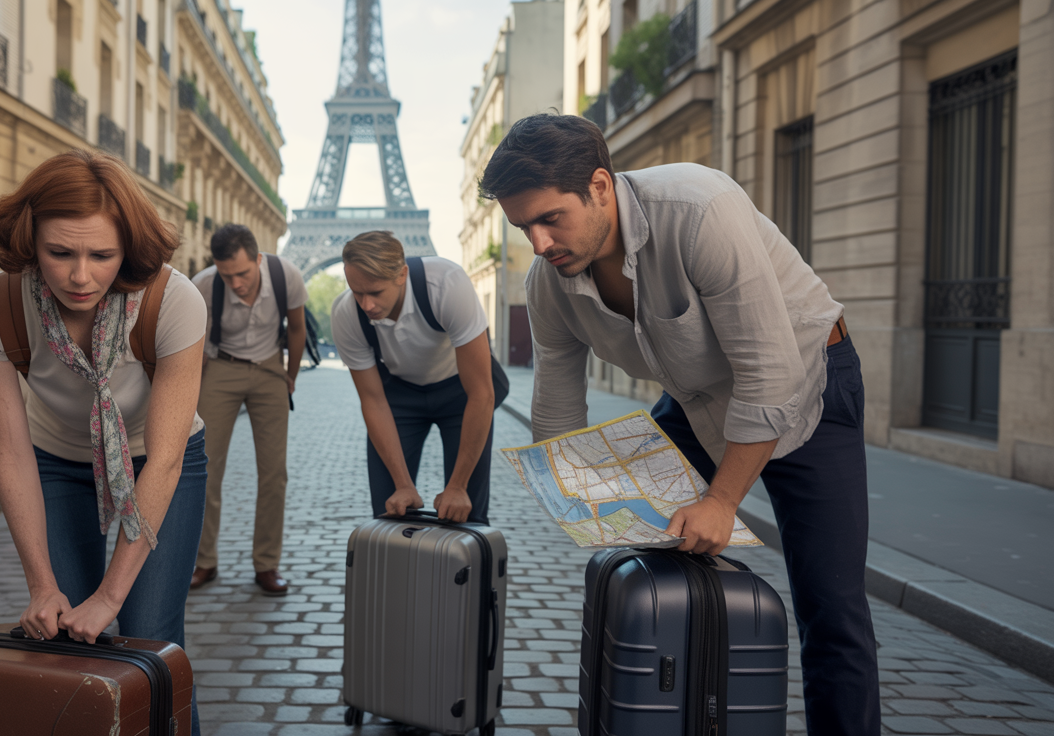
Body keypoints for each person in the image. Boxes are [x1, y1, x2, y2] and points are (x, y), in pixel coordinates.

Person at [479, 113, 878, 735]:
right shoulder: (548, 283)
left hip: (808, 382)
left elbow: (769, 376)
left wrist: (722, 500)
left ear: (601, 187)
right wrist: (585, 501)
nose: (538, 243)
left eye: (550, 218)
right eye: (522, 226)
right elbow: (558, 408)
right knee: (656, 564)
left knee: (832, 606)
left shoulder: (700, 208)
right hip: (697, 401)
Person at [0, 150, 207, 732]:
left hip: (157, 459)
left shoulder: (174, 302)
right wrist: (41, 585)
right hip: (55, 460)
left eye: (101, 255)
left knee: (151, 641)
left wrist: (111, 597)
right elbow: (10, 451)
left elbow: (166, 459)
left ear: (128, 250)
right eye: (60, 253)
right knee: (61, 643)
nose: (79, 276)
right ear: (29, 241)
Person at [330, 231, 497, 524]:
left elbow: (481, 393)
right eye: (358, 292)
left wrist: (457, 486)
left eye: (375, 292)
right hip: (399, 398)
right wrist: (403, 485)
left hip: (460, 393)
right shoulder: (346, 313)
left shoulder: (446, 283)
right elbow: (373, 401)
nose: (366, 304)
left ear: (401, 274)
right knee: (390, 509)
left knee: (464, 511)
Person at [189, 224, 307, 595]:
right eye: (228, 275)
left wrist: (289, 377)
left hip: (270, 367)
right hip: (220, 367)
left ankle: (266, 564)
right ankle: (204, 560)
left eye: (243, 272)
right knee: (206, 468)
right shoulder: (204, 284)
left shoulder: (286, 274)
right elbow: (192, 343)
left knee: (274, 473)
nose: (236, 282)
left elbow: (298, 329)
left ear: (258, 258)